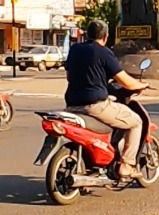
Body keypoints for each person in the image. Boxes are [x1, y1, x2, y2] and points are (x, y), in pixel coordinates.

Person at [63, 20, 150, 180]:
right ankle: (127, 165)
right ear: (105, 37)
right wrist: (141, 85)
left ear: (87, 34)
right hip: (95, 106)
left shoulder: (75, 49)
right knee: (136, 121)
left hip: (71, 106)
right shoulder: (104, 53)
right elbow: (125, 81)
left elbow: (70, 76)